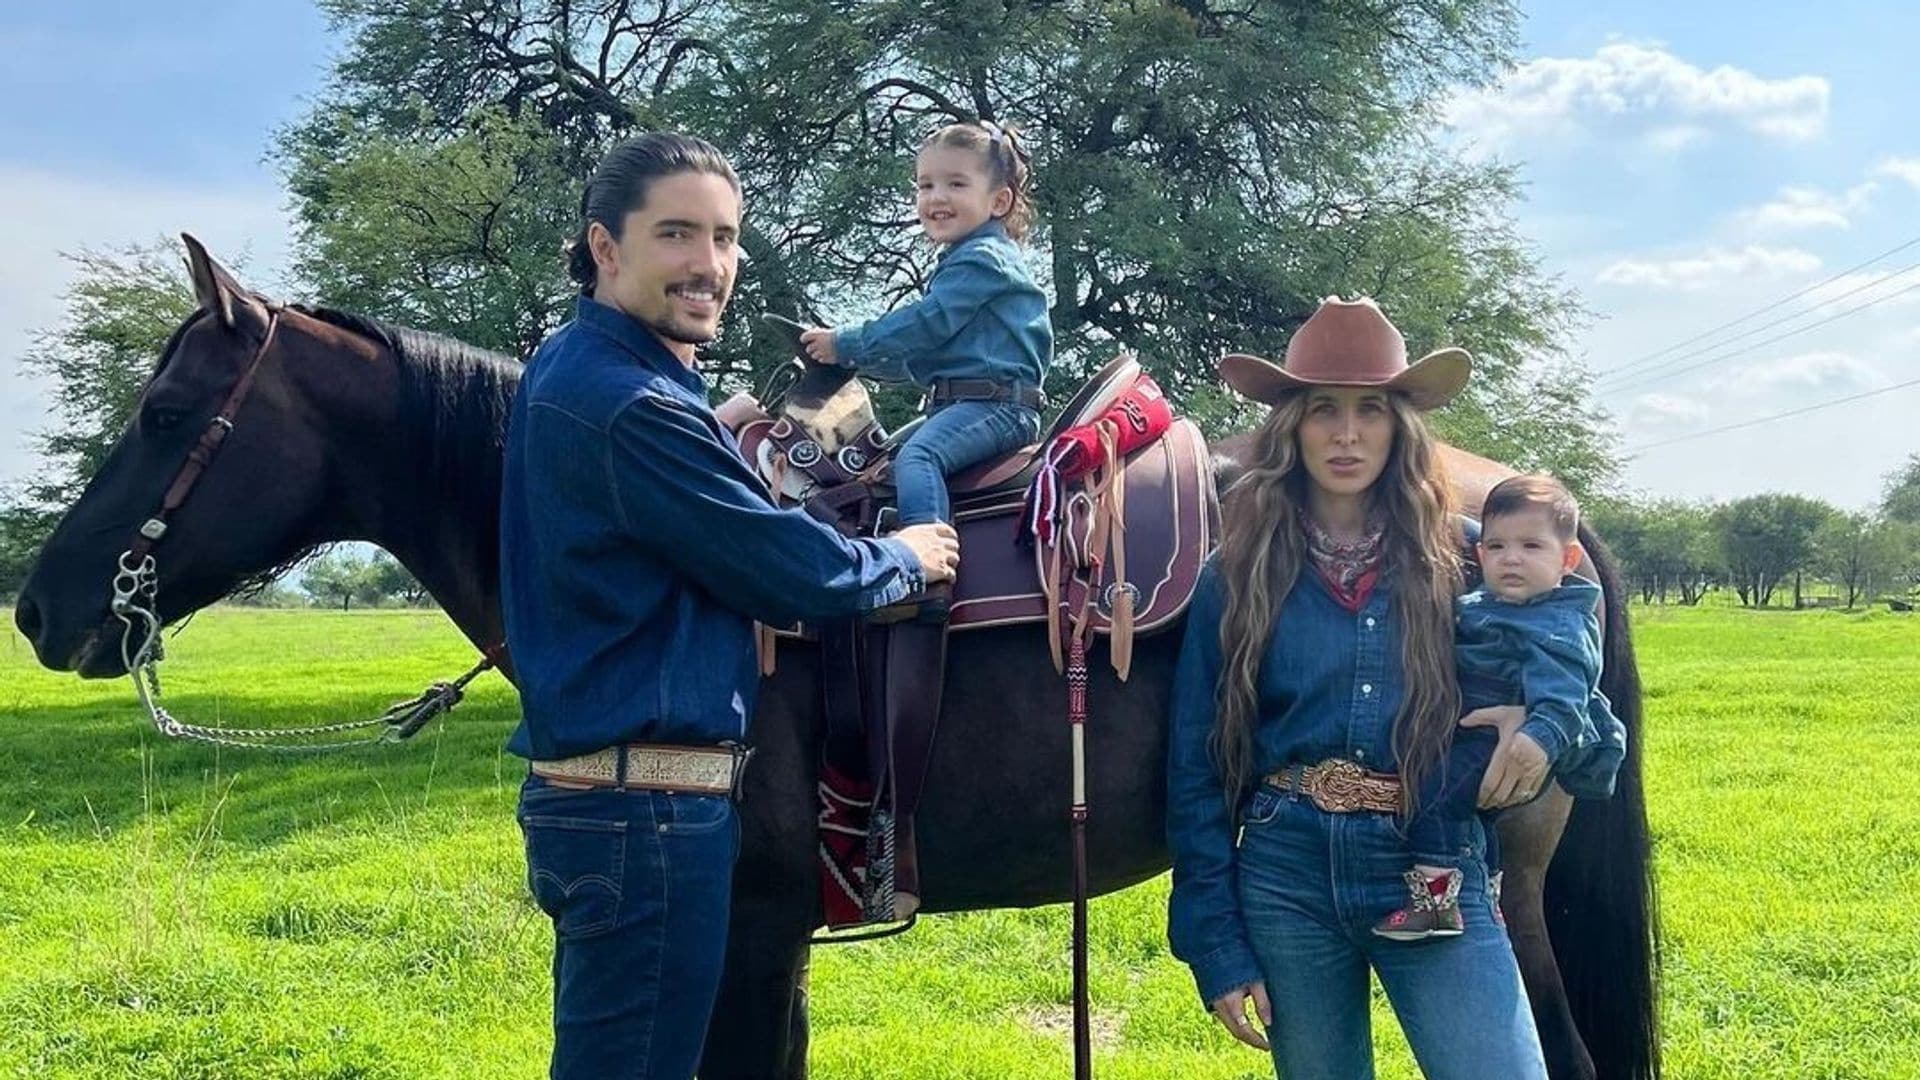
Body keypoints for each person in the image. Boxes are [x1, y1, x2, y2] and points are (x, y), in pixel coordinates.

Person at [498, 132, 959, 1080]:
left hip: (620, 804)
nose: (709, 265)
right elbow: (792, 571)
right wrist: (902, 557)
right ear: (604, 246)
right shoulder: (632, 406)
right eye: (676, 234)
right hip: (649, 813)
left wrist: (718, 425)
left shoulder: (577, 368)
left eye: (725, 237)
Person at [1166, 296, 1551, 1078]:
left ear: (1399, 425)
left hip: (1433, 866)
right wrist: (1216, 936)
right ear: (1293, 427)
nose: (1347, 434)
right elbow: (1196, 763)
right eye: (1324, 411)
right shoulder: (1235, 573)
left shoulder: (1473, 560)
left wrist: (1543, 724)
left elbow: (1574, 661)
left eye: (1370, 410)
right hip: (1286, 873)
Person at [799, 120, 1051, 618]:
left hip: (997, 405)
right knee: (886, 458)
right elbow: (925, 356)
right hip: (966, 401)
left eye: (956, 184)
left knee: (917, 459)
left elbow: (926, 324)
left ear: (998, 202)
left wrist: (846, 342)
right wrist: (856, 362)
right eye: (925, 184)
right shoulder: (967, 261)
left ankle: (925, 572)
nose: (937, 196)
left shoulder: (981, 259)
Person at [1374, 473, 1627, 941]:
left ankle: (1434, 905)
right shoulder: (1492, 604)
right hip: (1479, 731)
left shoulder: (1558, 622)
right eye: (1496, 547)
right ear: (1479, 553)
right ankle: (1490, 895)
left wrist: (1538, 738)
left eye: (1531, 547)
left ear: (1567, 559)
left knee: (1433, 794)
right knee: (1480, 821)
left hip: (1500, 742)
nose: (1511, 559)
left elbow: (1568, 691)